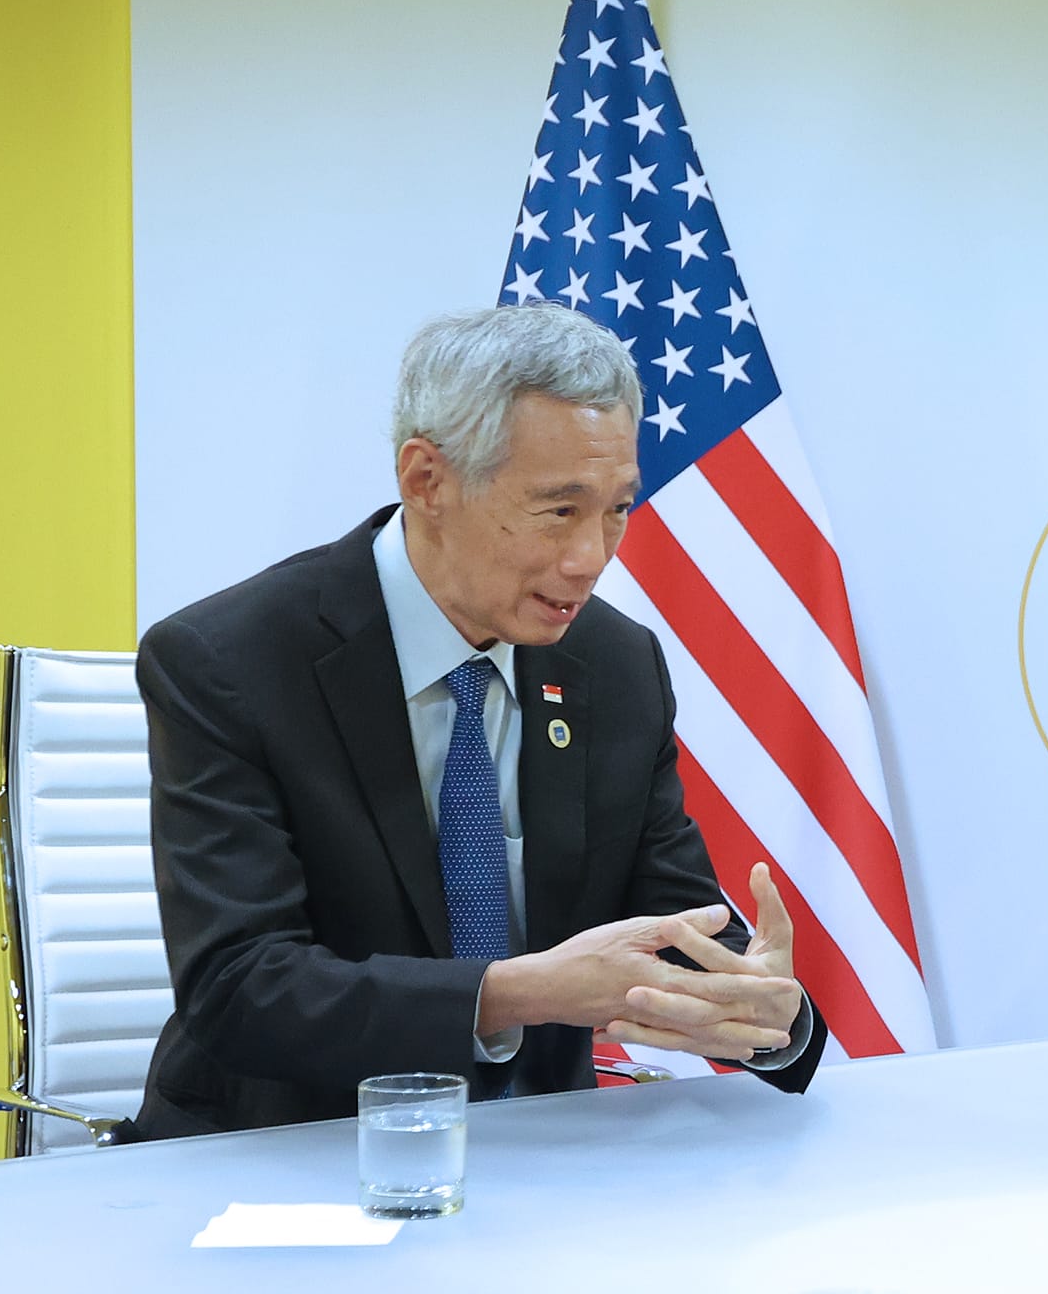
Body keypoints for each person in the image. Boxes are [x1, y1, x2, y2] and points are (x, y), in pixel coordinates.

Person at [135, 304, 823, 1137]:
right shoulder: (227, 661)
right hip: (287, 1153)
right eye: (558, 511)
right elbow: (240, 987)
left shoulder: (614, 665)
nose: (592, 558)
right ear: (427, 480)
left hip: (537, 1158)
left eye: (617, 509)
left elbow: (668, 928)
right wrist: (523, 991)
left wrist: (762, 1013)